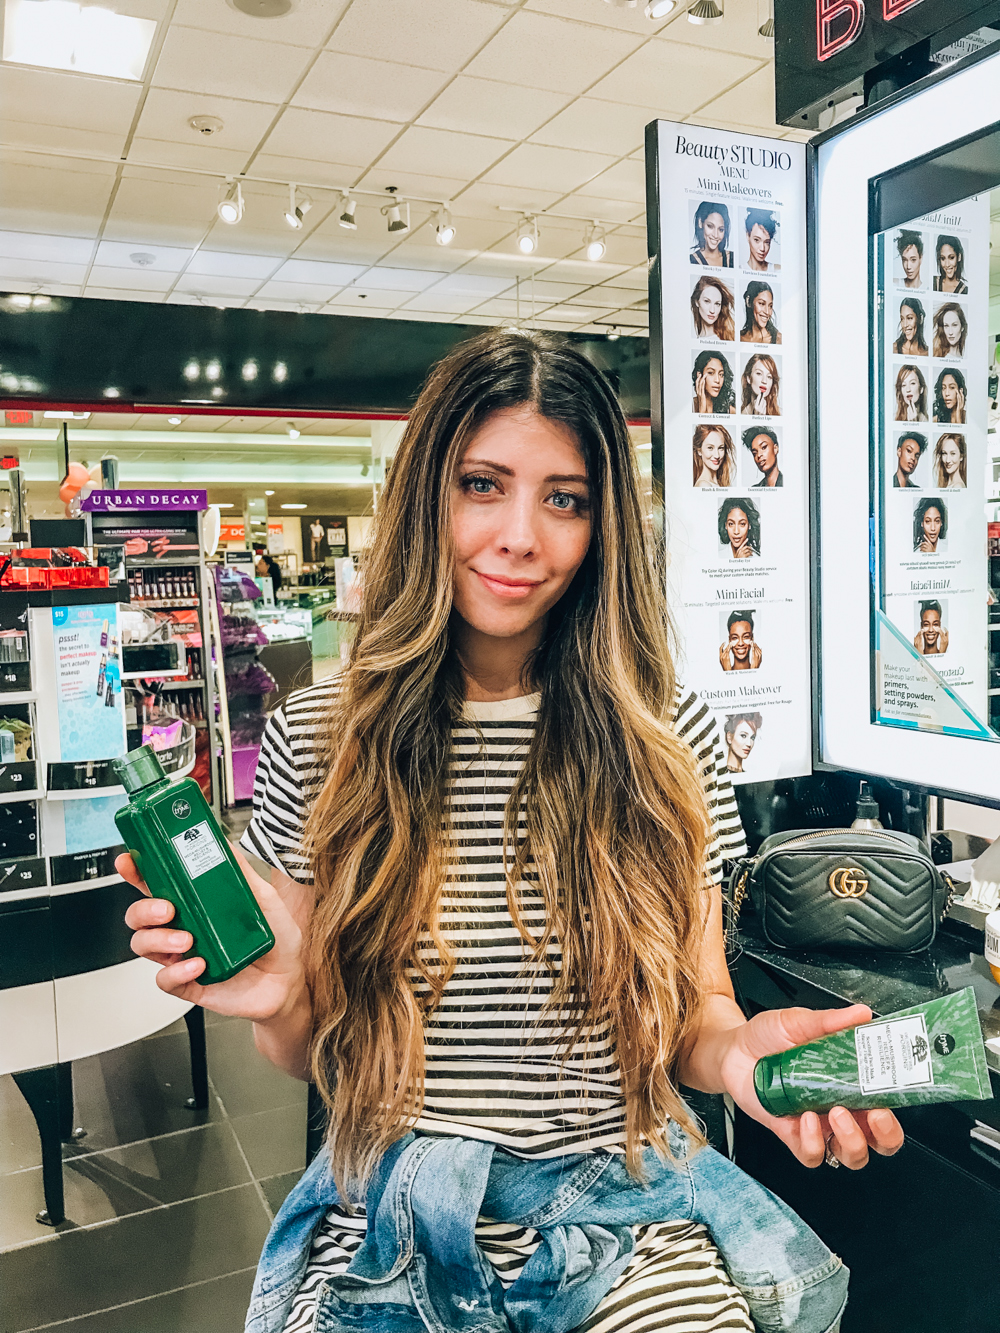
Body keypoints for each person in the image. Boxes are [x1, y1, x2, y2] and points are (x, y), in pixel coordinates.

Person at [120, 331, 900, 1333]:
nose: (520, 535)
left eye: (564, 497)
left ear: (601, 524)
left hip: (625, 1203)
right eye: (481, 484)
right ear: (423, 498)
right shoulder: (321, 737)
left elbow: (693, 1015)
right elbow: (307, 1046)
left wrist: (748, 1058)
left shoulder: (667, 733)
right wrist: (282, 996)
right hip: (389, 1210)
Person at [690, 274, 735, 340]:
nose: (712, 310)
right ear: (697, 302)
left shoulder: (724, 339)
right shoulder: (697, 339)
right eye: (707, 301)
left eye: (717, 304)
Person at [690, 200, 734, 267]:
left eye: (721, 229)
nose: (715, 235)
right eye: (710, 226)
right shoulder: (692, 260)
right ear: (700, 223)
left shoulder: (732, 258)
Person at [743, 208, 779, 272]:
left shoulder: (778, 269)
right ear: (748, 236)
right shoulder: (740, 269)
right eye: (757, 240)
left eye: (767, 242)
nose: (762, 248)